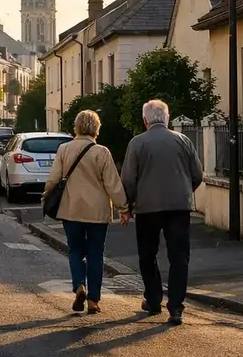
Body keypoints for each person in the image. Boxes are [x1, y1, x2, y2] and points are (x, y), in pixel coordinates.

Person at [120, 99, 203, 325]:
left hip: (147, 207)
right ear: (167, 118)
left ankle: (153, 299)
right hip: (179, 207)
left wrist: (128, 205)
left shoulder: (137, 143)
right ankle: (176, 307)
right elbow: (197, 174)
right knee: (179, 257)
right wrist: (184, 191)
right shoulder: (183, 140)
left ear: (145, 120)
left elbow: (128, 179)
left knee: (148, 254)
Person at [42, 110, 128, 315]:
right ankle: (93, 300)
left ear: (76, 127)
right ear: (97, 128)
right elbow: (113, 184)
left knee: (75, 250)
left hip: (71, 209)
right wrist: (124, 208)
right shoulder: (102, 152)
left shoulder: (64, 149)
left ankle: (79, 285)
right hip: (97, 212)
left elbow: (54, 179)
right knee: (95, 253)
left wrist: (46, 197)